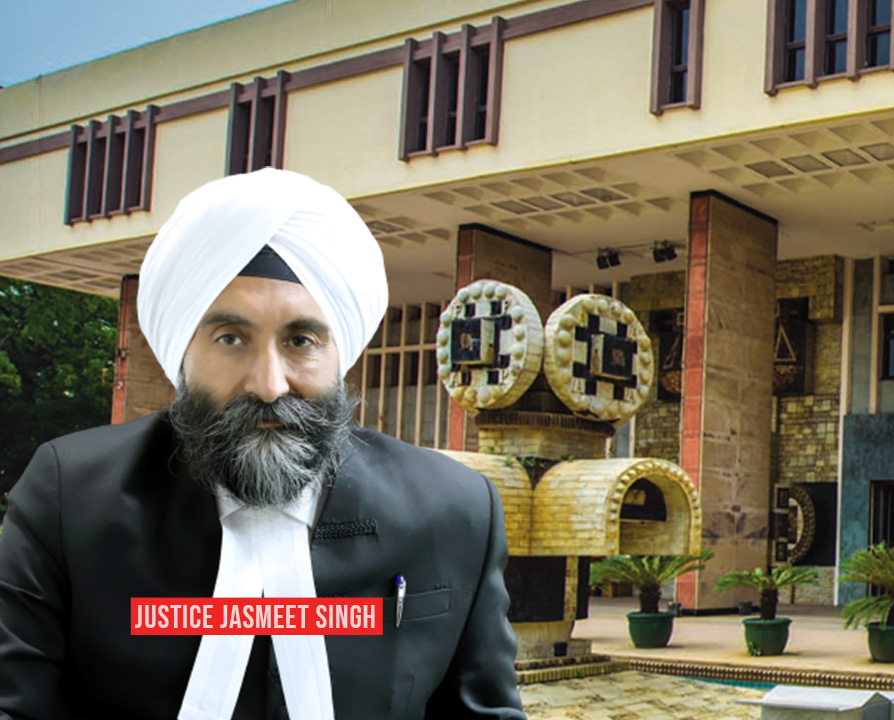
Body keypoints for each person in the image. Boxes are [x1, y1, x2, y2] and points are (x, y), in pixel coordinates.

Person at [0, 168, 526, 720]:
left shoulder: (454, 508)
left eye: (301, 340)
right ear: (182, 352)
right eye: (231, 338)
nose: (270, 385)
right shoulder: (72, 498)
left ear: (340, 353)